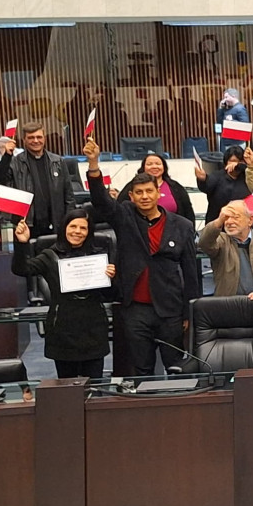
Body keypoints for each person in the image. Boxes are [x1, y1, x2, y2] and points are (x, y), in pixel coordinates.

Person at [85, 138, 200, 377]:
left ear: (159, 193)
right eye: (139, 193)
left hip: (170, 308)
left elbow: (191, 272)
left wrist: (189, 312)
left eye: (149, 191)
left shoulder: (182, 225)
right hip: (135, 308)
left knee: (176, 367)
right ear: (132, 196)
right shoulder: (124, 215)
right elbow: (101, 201)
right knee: (141, 367)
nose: (145, 196)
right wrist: (94, 164)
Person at [11, 209, 113, 379]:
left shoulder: (98, 256)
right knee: (66, 390)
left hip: (93, 328)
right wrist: (22, 244)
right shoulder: (49, 256)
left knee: (95, 387)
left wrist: (112, 277)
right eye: (73, 226)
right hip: (63, 330)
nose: (77, 232)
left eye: (83, 228)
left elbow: (112, 294)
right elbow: (21, 269)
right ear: (64, 228)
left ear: (89, 232)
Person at [0, 123, 77, 242]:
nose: (36, 141)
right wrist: (7, 156)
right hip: (27, 226)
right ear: (24, 140)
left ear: (44, 138)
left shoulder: (58, 162)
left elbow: (69, 196)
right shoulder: (14, 163)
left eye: (39, 137)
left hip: (56, 224)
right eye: (31, 138)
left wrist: (69, 221)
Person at [198, 200, 253, 300]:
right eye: (226, 218)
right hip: (227, 306)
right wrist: (218, 221)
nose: (229, 222)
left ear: (250, 220)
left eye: (235, 217)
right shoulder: (221, 241)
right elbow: (204, 242)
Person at [131, 151, 196, 222]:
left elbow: (188, 212)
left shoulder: (176, 187)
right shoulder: (132, 185)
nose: (154, 166)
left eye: (158, 164)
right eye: (149, 164)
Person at [196, 145, 252, 225]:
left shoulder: (249, 176)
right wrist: (202, 179)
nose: (236, 164)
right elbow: (206, 187)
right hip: (220, 224)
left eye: (240, 161)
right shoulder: (217, 176)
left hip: (243, 223)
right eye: (233, 161)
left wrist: (244, 167)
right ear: (226, 163)